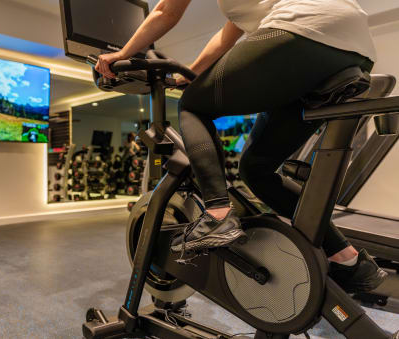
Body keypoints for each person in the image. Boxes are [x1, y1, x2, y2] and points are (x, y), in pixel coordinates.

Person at [96, 0, 386, 293]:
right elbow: (227, 35)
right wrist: (190, 74)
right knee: (256, 169)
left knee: (193, 107)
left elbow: (164, 11)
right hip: (357, 52)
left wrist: (121, 54)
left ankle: (218, 215)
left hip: (302, 28)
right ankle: (349, 261)